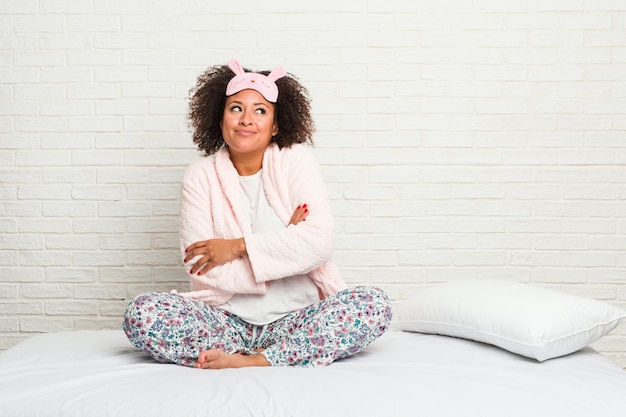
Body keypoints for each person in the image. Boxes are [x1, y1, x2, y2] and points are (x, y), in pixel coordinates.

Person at [123, 59, 393, 369]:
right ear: (220, 119)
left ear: (276, 125)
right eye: (235, 108)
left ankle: (259, 360)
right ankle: (256, 353)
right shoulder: (200, 176)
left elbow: (319, 245)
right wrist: (285, 243)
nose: (246, 119)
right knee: (141, 313)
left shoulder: (296, 162)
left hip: (297, 320)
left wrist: (236, 247)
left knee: (373, 305)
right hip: (226, 322)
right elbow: (201, 267)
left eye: (260, 110)